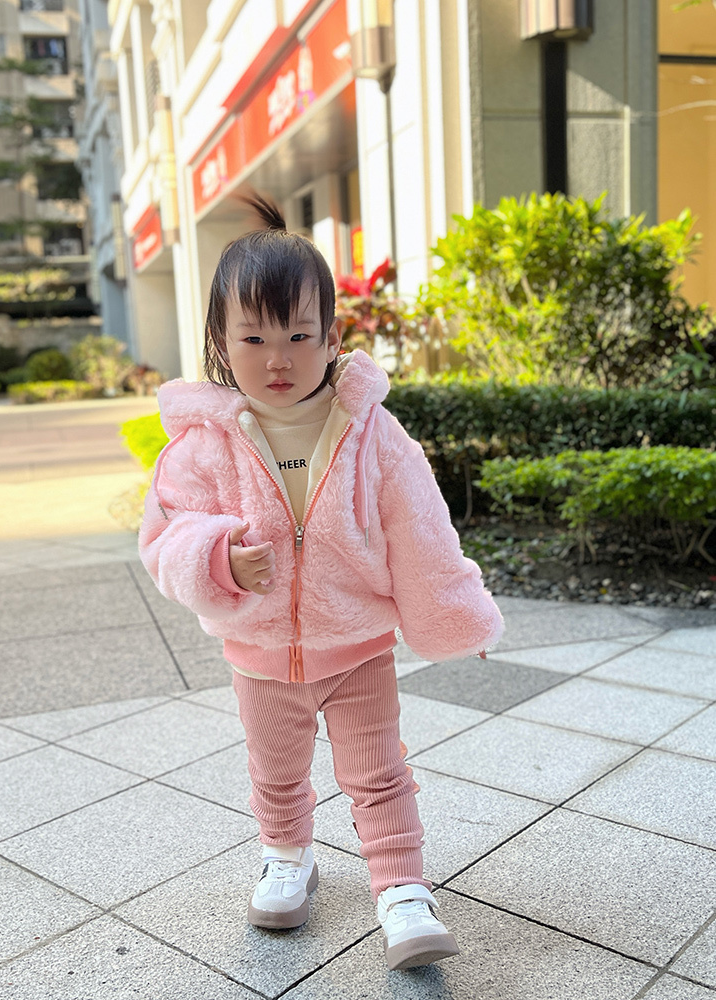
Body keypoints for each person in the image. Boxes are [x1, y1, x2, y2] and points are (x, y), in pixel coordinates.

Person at [139, 194, 504, 971]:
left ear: (333, 338)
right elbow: (165, 537)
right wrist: (217, 558)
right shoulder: (202, 445)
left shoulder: (371, 431)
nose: (278, 359)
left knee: (379, 775)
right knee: (276, 772)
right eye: (254, 338)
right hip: (261, 653)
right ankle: (286, 856)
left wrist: (458, 616)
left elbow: (422, 531)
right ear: (221, 342)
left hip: (358, 644)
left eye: (299, 336)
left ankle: (402, 890)